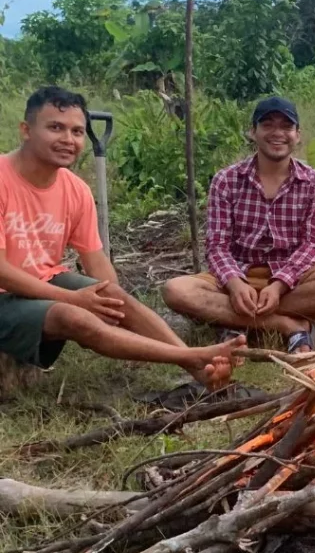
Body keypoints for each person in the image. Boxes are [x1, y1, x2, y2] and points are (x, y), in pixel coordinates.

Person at [0, 86, 242, 385]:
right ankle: (192, 357)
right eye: (55, 128)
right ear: (26, 130)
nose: (68, 140)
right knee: (73, 315)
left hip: (42, 282)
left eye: (77, 132)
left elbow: (94, 257)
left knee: (111, 295)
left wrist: (112, 307)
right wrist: (74, 299)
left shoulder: (74, 189)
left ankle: (198, 368)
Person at [163, 96, 315, 353]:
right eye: (267, 125)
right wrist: (234, 284)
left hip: (293, 281)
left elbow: (314, 246)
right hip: (237, 275)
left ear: (297, 135)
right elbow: (217, 246)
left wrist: (279, 285)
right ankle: (285, 324)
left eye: (286, 127)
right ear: (252, 132)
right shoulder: (227, 180)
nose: (277, 133)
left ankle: (236, 321)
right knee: (175, 291)